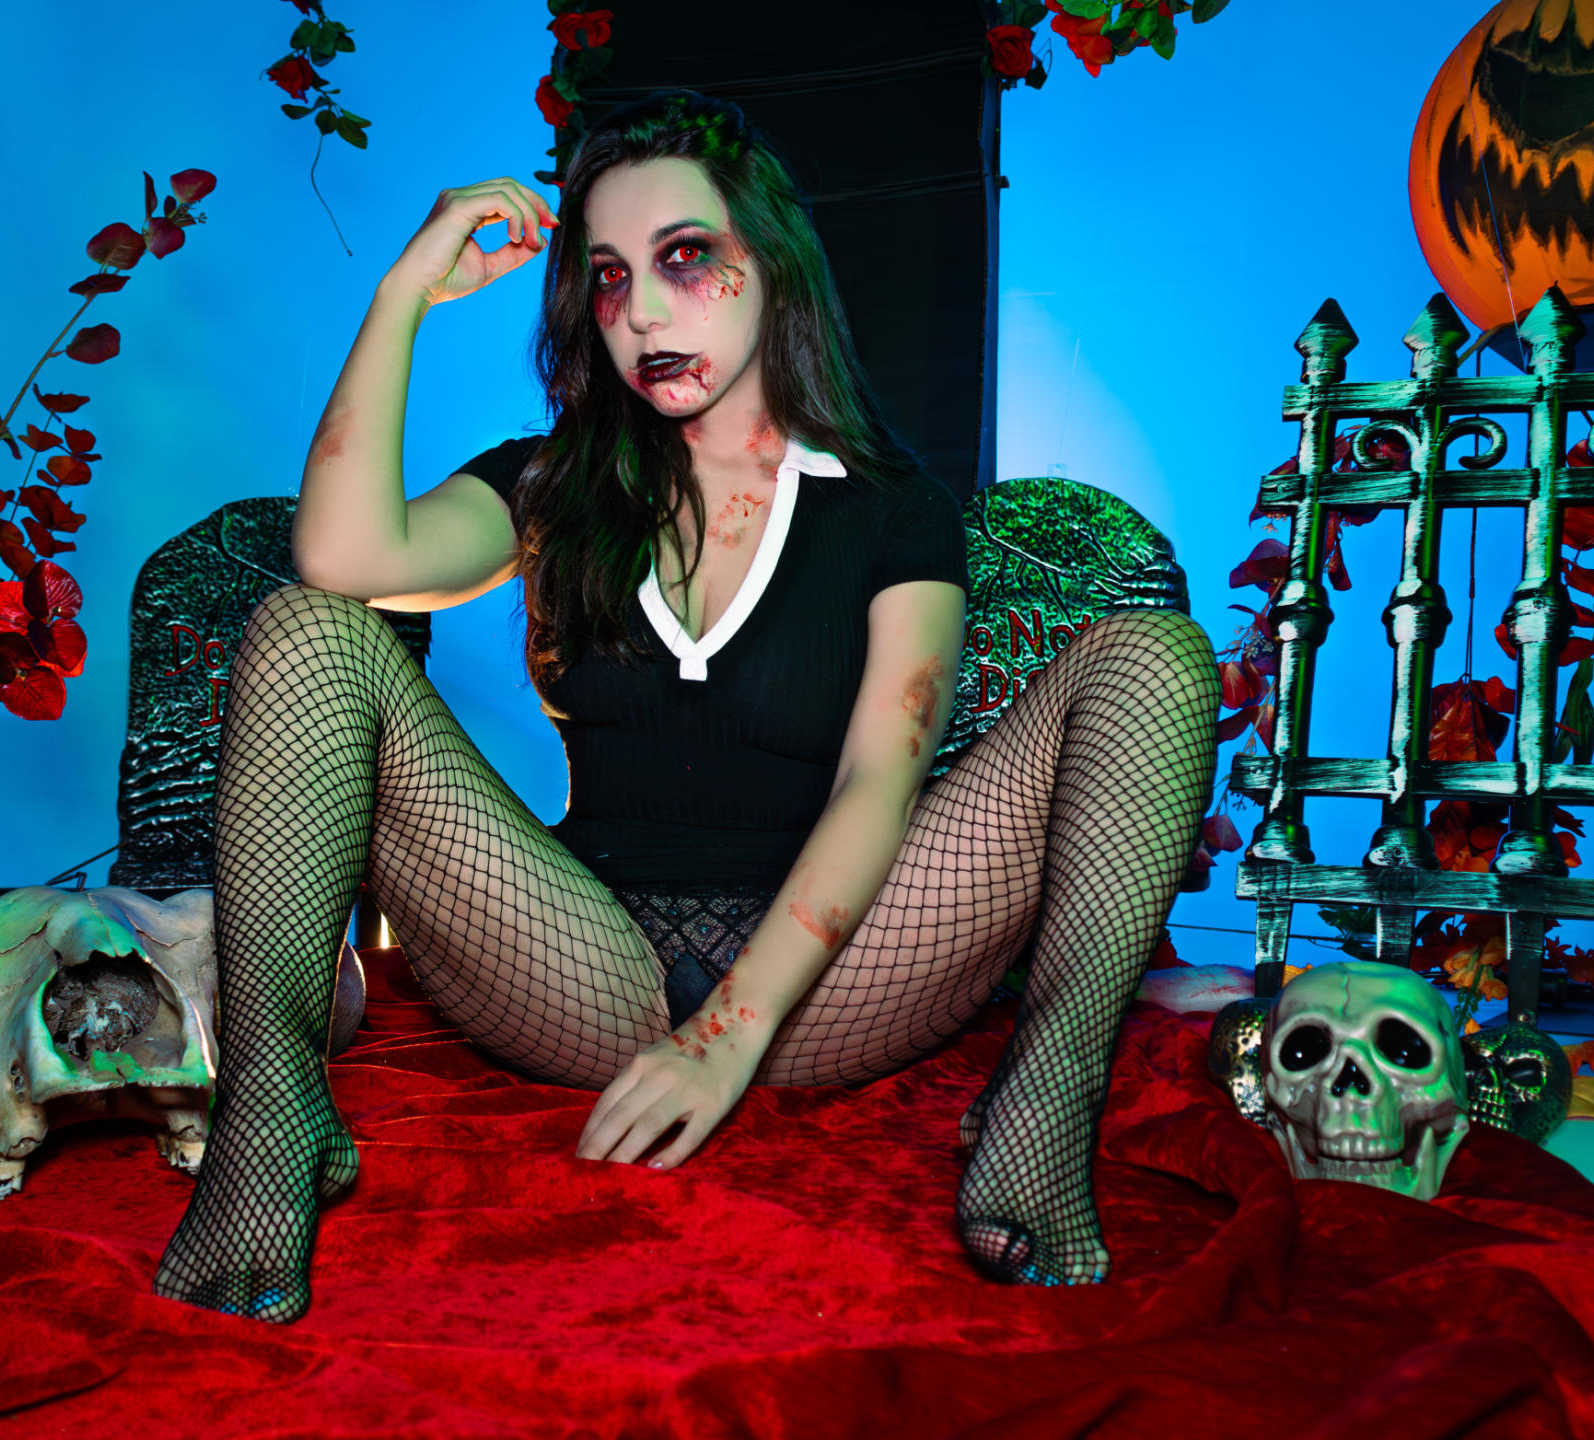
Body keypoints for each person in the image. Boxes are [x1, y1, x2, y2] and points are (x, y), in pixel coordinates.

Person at [152, 89, 1218, 1323]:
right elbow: (343, 559)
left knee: (1154, 656)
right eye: (607, 278)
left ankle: (1048, 1092)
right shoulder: (549, 486)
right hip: (576, 955)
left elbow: (880, 777)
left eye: (684, 257)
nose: (642, 313)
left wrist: (728, 1032)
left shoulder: (890, 511)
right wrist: (401, 296)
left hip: (838, 980)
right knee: (306, 627)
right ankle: (273, 1111)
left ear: (771, 263)